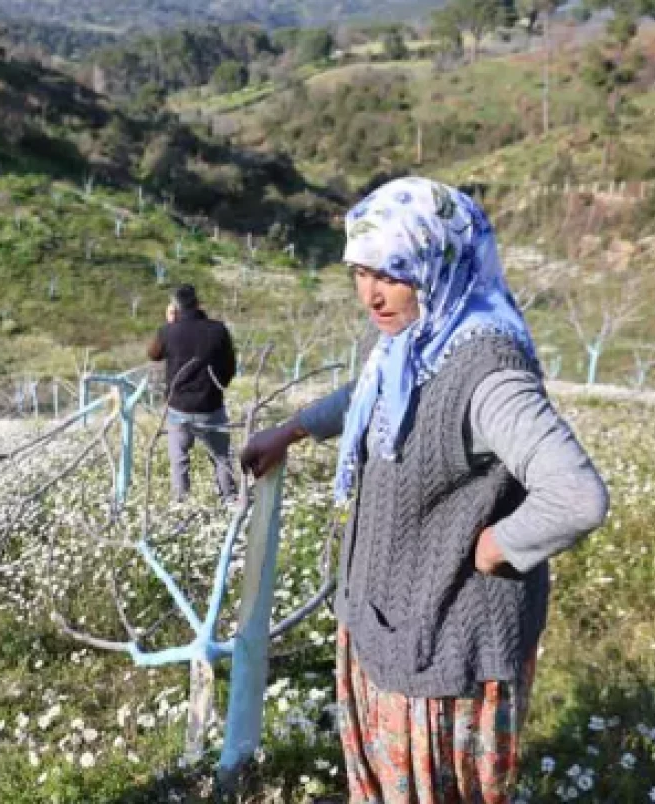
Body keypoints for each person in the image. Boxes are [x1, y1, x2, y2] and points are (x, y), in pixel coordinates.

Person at [240, 177, 609, 803]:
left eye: (393, 273)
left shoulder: (487, 370)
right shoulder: (412, 340)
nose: (371, 294)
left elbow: (577, 495)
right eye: (361, 272)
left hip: (449, 643)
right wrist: (294, 429)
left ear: (439, 262)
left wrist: (498, 545)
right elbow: (368, 397)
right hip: (391, 619)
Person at [147, 284, 238, 503]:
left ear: (175, 308)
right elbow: (230, 367)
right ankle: (231, 500)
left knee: (179, 460)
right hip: (210, 406)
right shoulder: (218, 330)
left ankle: (181, 507)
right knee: (221, 458)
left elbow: (153, 355)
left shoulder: (168, 332)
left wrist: (170, 322)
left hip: (179, 407)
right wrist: (218, 387)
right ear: (198, 304)